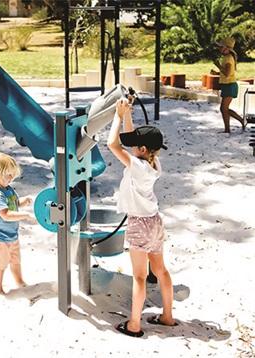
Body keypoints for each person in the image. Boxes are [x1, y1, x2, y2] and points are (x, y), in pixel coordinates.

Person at [107, 97, 176, 338]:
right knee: (160, 270)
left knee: (139, 276)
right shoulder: (153, 162)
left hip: (139, 224)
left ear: (142, 150)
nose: (131, 148)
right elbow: (128, 141)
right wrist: (127, 114)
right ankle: (167, 316)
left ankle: (135, 324)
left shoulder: (136, 165)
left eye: (135, 146)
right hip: (155, 221)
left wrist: (116, 115)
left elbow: (113, 145)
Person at [0, 151, 37, 294]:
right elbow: (6, 214)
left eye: (12, 174)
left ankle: (20, 282)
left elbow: (13, 204)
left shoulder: (7, 189)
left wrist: (23, 202)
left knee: (15, 261)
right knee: (0, 265)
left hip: (12, 235)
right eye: (8, 174)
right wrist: (25, 215)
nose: (12, 177)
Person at [212, 36, 245, 133]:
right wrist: (217, 73)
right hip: (227, 85)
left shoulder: (228, 59)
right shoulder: (226, 58)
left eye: (221, 47)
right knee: (224, 109)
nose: (220, 49)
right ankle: (236, 124)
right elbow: (226, 73)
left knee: (224, 108)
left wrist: (218, 65)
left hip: (230, 85)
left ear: (226, 49)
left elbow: (227, 73)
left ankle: (235, 125)